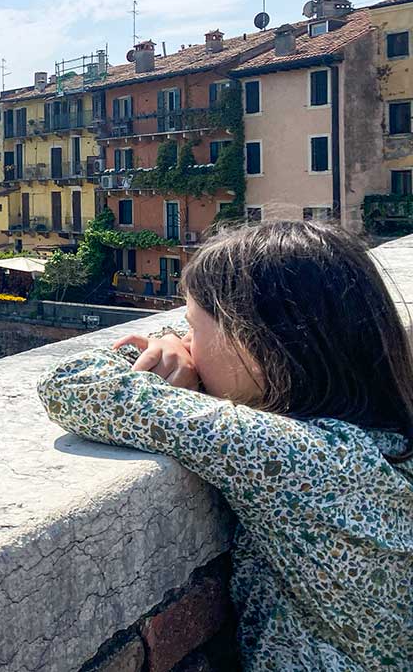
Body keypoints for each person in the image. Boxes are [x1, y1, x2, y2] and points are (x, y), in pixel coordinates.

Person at [38, 221, 413, 670]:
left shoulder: (295, 458)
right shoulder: (372, 442)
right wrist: (183, 332)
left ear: (255, 345)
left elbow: (71, 385)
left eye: (193, 329)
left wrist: (154, 350)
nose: (188, 346)